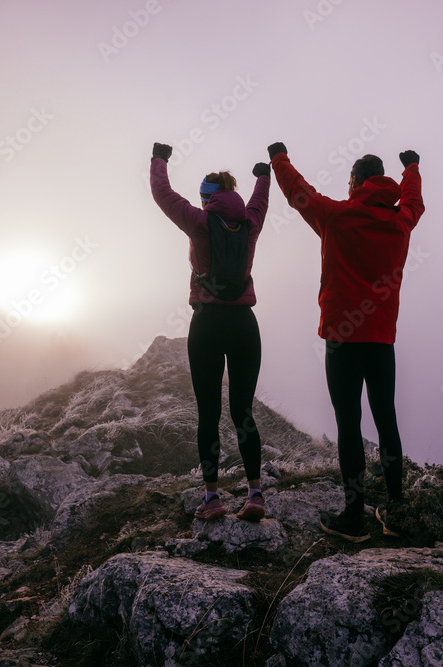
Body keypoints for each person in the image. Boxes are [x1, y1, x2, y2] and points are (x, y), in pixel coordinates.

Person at [267, 142, 425, 542]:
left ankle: (353, 518)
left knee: (348, 423)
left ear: (355, 181)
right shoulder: (400, 221)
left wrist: (279, 158)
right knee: (386, 420)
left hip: (342, 337)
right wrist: (412, 168)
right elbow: (414, 201)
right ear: (382, 181)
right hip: (381, 339)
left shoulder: (337, 216)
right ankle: (396, 512)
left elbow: (298, 192)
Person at [150, 142, 270, 521]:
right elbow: (261, 199)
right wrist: (264, 174)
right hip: (244, 325)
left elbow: (162, 194)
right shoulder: (251, 221)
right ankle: (254, 494)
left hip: (206, 323)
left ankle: (212, 498)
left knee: (208, 412)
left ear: (206, 199)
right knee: (243, 411)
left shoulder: (198, 222)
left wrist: (159, 159)